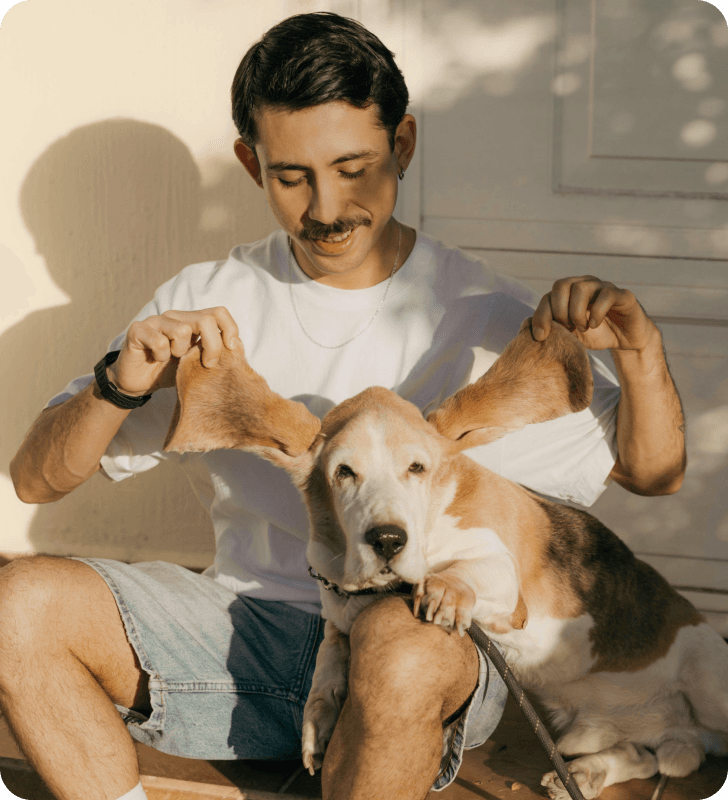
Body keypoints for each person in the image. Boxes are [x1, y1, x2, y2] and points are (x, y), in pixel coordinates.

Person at [2, 12, 685, 800]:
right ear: (249, 163)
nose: (326, 208)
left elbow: (654, 471)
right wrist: (119, 382)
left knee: (399, 646)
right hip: (245, 630)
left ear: (402, 146)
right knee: (16, 604)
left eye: (354, 167)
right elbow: (35, 480)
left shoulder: (484, 310)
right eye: (292, 176)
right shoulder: (204, 303)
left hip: (421, 640)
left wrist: (639, 351)